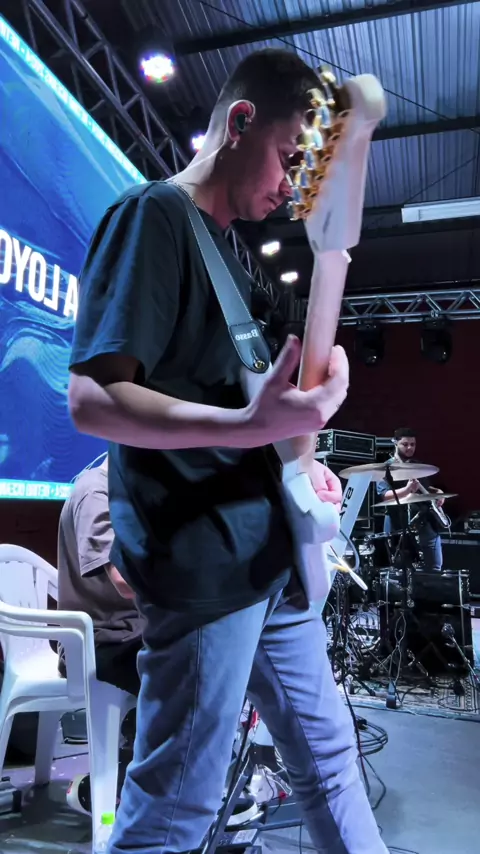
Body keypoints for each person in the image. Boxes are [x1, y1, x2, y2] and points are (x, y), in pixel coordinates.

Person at [68, 49, 388, 853]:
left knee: (331, 766)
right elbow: (92, 400)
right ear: (240, 122)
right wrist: (248, 427)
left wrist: (303, 437)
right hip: (205, 572)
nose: (291, 185)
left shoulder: (237, 264)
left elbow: (268, 420)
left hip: (270, 563)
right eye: (287, 156)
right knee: (177, 808)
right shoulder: (153, 216)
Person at [57, 455, 144, 815]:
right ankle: (137, 784)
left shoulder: (131, 490)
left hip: (132, 632)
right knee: (188, 665)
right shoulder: (96, 492)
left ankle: (149, 773)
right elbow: (125, 581)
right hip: (102, 641)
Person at [376, 427, 445, 572]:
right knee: (400, 571)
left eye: (413, 444)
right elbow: (384, 494)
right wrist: (407, 490)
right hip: (398, 521)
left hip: (424, 520)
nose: (409, 448)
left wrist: (438, 492)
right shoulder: (386, 467)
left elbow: (424, 487)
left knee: (435, 568)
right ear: (395, 443)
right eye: (405, 444)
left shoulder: (417, 465)